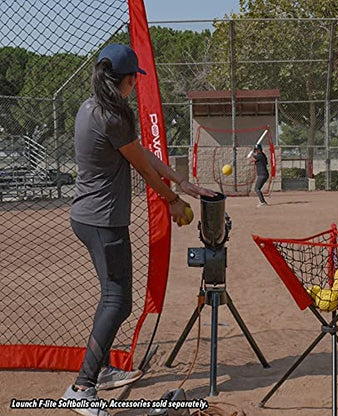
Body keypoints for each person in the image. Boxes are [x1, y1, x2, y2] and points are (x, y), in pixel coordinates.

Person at [61, 43, 216, 416]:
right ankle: (81, 387)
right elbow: (143, 170)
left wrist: (181, 181)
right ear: (128, 80)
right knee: (116, 300)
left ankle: (96, 372)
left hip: (90, 217)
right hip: (103, 221)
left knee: (116, 299)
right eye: (134, 79)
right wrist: (172, 201)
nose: (135, 84)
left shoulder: (91, 106)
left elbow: (140, 153)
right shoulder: (115, 115)